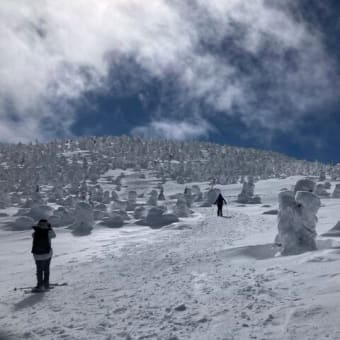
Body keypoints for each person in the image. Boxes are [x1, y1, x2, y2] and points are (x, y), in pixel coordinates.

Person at [31, 219, 56, 292]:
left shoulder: (35, 233)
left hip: (37, 255)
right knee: (46, 269)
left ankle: (40, 286)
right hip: (47, 255)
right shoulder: (49, 232)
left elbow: (32, 236)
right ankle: (46, 285)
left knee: (39, 270)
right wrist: (50, 227)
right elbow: (54, 235)